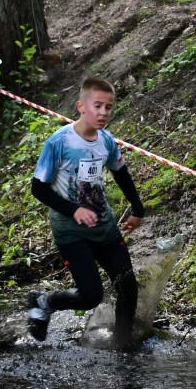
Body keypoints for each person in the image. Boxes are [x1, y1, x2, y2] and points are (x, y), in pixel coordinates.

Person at [27, 77, 145, 348]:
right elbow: (38, 189)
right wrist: (74, 210)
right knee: (91, 296)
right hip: (70, 231)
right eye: (97, 106)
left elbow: (121, 174)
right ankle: (44, 301)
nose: (103, 113)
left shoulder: (106, 140)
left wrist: (137, 208)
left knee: (128, 288)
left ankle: (123, 347)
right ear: (81, 106)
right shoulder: (59, 142)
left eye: (108, 107)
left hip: (104, 226)